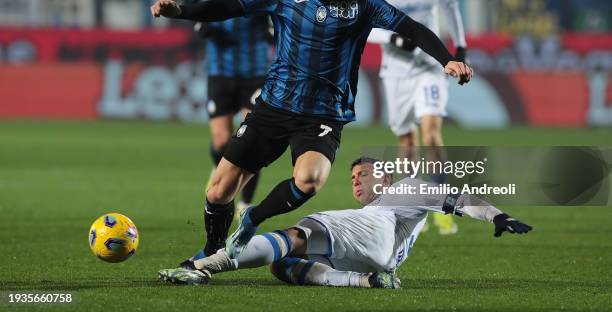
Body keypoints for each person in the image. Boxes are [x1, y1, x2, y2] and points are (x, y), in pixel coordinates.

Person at [150, 0, 473, 266]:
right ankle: (213, 249)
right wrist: (183, 11)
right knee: (218, 191)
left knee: (310, 179)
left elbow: (412, 28)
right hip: (274, 106)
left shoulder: (361, 0)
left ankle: (253, 217)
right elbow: (233, 6)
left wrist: (446, 59)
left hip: (323, 114)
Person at [158, 157, 532, 287]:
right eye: (352, 178)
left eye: (363, 174)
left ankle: (203, 266)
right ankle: (366, 283)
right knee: (283, 264)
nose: (356, 181)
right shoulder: (379, 204)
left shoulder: (405, 189)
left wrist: (498, 215)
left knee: (297, 234)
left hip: (376, 232)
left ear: (383, 176)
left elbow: (462, 201)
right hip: (381, 257)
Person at [183, 0, 281, 260]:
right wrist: (201, 26)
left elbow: (282, 12)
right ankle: (225, 183)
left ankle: (246, 202)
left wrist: (272, 28)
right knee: (222, 141)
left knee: (250, 137)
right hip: (221, 68)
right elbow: (193, 9)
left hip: (257, 68)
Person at [368, 0, 468, 235]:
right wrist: (395, 41)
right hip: (396, 71)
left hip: (430, 67)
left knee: (432, 134)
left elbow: (452, 10)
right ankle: (412, 207)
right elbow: (367, 27)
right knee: (407, 140)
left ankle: (443, 207)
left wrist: (460, 48)